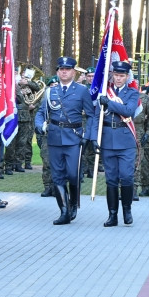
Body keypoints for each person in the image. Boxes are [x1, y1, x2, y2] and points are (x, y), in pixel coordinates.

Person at [34, 57, 93, 225]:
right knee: (57, 176)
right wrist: (39, 125)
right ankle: (64, 211)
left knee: (73, 175)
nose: (64, 71)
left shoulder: (81, 91)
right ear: (57, 72)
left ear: (73, 72)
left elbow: (91, 115)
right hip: (54, 137)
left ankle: (73, 203)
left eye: (67, 69)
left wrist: (87, 135)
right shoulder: (50, 91)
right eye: (61, 69)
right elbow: (41, 112)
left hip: (74, 137)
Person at [89, 61, 140, 226]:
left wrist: (108, 103)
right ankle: (112, 215)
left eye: (122, 75)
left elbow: (128, 111)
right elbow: (97, 117)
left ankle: (127, 209)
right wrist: (94, 137)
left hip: (125, 139)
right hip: (107, 139)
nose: (118, 78)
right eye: (116, 75)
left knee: (126, 176)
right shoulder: (104, 92)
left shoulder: (132, 93)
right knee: (110, 179)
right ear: (112, 75)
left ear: (127, 77)